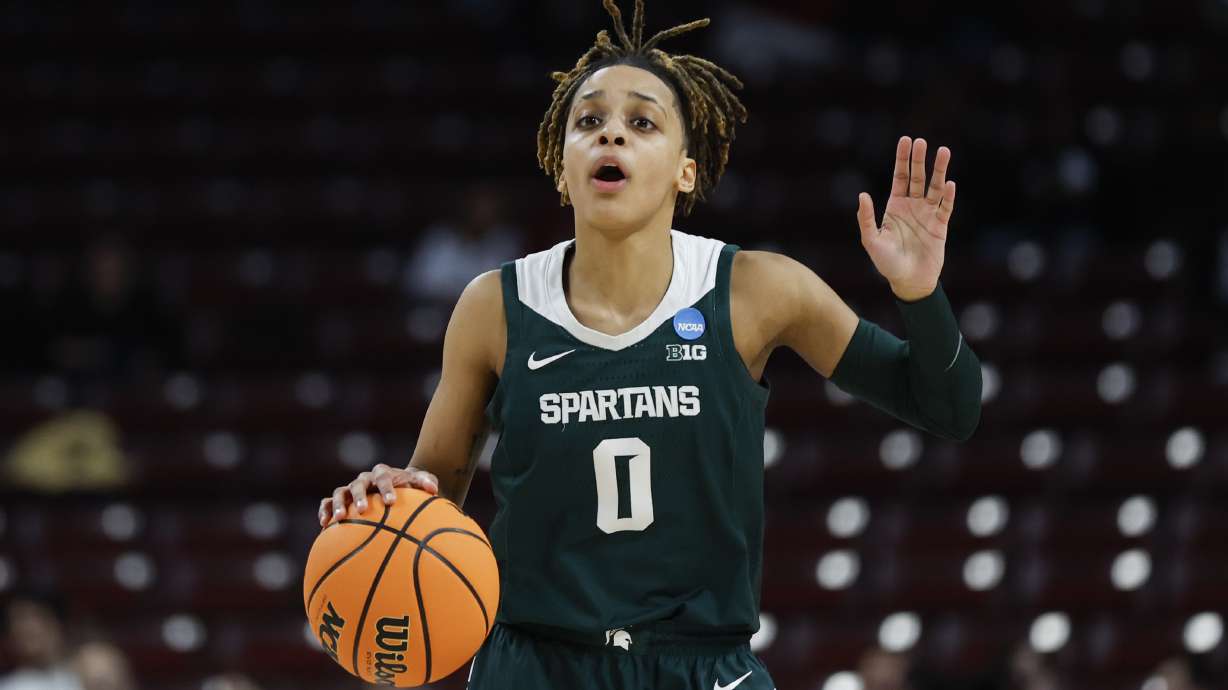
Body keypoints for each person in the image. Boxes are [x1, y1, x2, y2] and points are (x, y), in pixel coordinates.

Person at [318, 1, 982, 688]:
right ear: (561, 163)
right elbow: (431, 500)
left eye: (641, 122)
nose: (612, 136)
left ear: (685, 169)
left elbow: (950, 409)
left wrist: (919, 294)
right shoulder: (495, 306)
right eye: (589, 122)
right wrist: (385, 505)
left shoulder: (757, 290)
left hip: (702, 664)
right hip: (539, 663)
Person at [0, 592, 82, 690]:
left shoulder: (86, 673)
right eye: (19, 620)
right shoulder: (8, 686)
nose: (29, 628)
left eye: (38, 617)